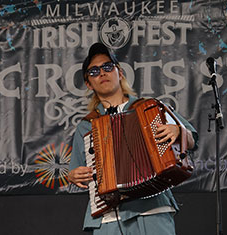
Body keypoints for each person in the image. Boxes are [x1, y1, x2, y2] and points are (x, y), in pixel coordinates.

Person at [68, 42, 198, 235]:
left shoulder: (149, 108)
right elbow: (76, 172)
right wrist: (73, 176)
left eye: (107, 67)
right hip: (109, 216)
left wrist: (179, 131)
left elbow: (192, 139)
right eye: (94, 71)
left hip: (153, 209)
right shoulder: (87, 126)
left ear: (119, 72)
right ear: (88, 83)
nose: (102, 73)